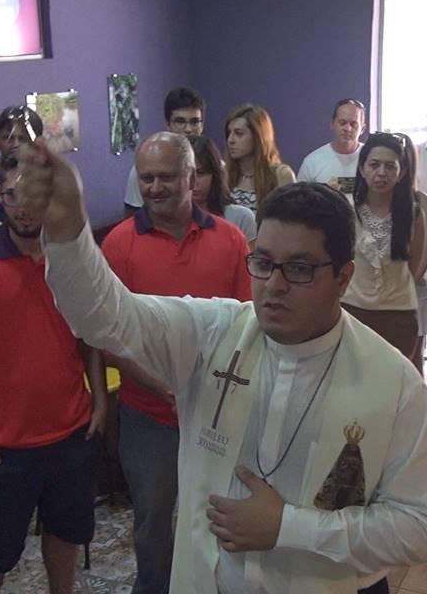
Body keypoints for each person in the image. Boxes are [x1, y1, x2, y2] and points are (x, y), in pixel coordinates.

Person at [25, 136, 427, 592]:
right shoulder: (213, 332)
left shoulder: (392, 382)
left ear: (343, 277)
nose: (274, 285)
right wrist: (67, 232)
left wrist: (289, 527)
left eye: (300, 269)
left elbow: (421, 528)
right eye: (263, 262)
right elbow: (107, 317)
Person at [0, 157, 108, 593]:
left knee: (65, 535)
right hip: (2, 445)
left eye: (33, 196)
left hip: (71, 431)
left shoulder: (73, 256)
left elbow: (91, 334)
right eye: (12, 195)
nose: (23, 208)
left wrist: (101, 400)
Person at [101, 133, 252, 593]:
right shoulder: (118, 244)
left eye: (166, 177)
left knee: (219, 515)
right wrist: (164, 386)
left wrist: (203, 387)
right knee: (152, 521)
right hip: (149, 415)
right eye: (146, 178)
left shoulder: (231, 240)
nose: (154, 187)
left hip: (217, 412)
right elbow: (107, 338)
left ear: (191, 177)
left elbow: (249, 325)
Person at [341, 133, 427, 359]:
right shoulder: (346, 211)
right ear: (362, 169)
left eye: (390, 166)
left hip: (399, 314)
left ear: (402, 172)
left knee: (395, 377)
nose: (381, 173)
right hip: (352, 311)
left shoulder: (414, 213)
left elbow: (415, 266)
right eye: (374, 165)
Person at [124, 87, 208, 213]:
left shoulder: (216, 166)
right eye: (180, 121)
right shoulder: (145, 168)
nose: (188, 129)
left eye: (194, 122)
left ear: (202, 125)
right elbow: (132, 215)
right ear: (168, 124)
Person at [399, 134, 427, 373]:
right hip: (380, 294)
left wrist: (409, 282)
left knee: (413, 363)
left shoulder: (421, 200)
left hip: (413, 290)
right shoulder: (372, 201)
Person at [0, 106, 45, 222]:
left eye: (23, 138)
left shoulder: (48, 181)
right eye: (8, 138)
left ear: (37, 143)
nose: (15, 144)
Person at [187, 134, 258, 244]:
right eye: (187, 174)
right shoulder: (167, 222)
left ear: (215, 175)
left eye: (200, 173)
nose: (194, 181)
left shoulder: (241, 218)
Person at [224, 104, 296, 212]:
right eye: (228, 133)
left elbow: (291, 217)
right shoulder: (224, 174)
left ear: (258, 136)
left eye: (239, 134)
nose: (230, 140)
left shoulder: (281, 175)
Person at [297, 99, 367, 195]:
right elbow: (300, 200)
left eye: (353, 124)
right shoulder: (312, 163)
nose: (347, 128)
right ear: (332, 124)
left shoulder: (372, 159)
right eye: (342, 123)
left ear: (362, 129)